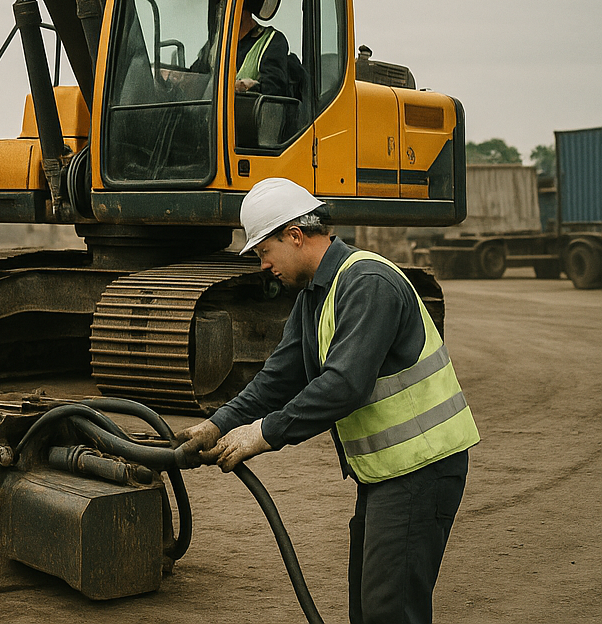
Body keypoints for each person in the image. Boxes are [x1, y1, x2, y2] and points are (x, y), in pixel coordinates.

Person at [178, 177, 479, 624]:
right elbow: (278, 378)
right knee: (369, 608)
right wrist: (217, 424)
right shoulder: (317, 294)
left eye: (264, 251)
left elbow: (343, 385)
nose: (263, 265)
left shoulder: (368, 282)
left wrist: (262, 434)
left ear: (295, 236)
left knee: (389, 612)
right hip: (387, 471)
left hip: (422, 469)